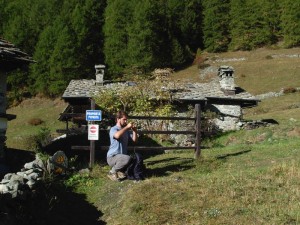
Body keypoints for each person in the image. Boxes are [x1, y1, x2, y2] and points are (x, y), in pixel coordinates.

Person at [107, 111, 138, 181]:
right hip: (112, 157)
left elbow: (134, 141)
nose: (126, 121)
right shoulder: (114, 129)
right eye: (124, 119)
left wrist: (134, 131)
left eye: (126, 119)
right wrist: (127, 127)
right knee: (126, 158)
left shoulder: (125, 131)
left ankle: (119, 172)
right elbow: (117, 136)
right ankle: (112, 172)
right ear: (118, 119)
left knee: (134, 159)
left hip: (122, 157)